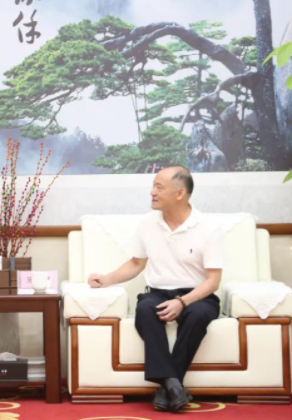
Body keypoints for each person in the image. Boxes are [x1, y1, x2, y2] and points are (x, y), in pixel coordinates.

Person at [88, 166, 223, 413]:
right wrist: (106, 279)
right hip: (158, 292)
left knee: (198, 315)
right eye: (153, 186)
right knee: (146, 310)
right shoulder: (147, 223)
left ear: (179, 193)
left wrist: (182, 302)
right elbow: (136, 263)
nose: (152, 192)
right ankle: (174, 385)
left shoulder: (208, 227)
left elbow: (213, 280)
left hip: (197, 295)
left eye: (159, 187)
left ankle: (166, 387)